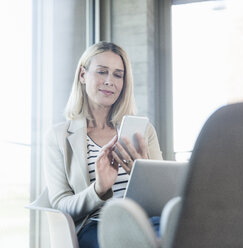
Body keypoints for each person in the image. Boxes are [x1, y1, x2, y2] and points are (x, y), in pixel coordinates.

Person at [44, 41, 163, 248]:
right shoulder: (58, 136)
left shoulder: (143, 130)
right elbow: (61, 204)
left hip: (145, 221)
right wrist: (98, 189)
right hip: (96, 225)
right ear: (83, 75)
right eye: (102, 72)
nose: (110, 81)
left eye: (118, 75)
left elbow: (162, 196)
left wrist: (144, 173)